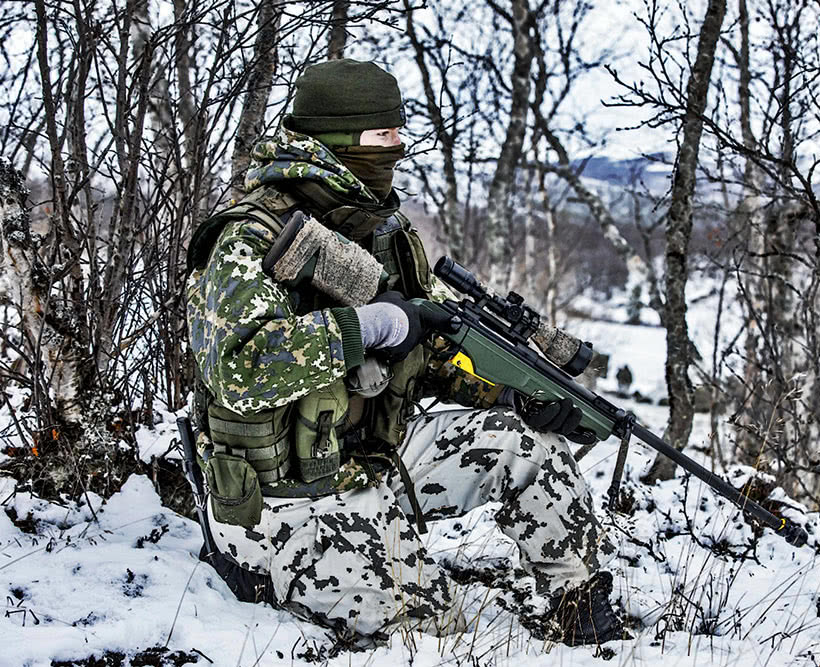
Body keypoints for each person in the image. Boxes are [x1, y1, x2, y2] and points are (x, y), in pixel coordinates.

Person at [184, 59, 624, 646]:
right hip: (278, 499)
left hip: (372, 464)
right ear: (338, 138)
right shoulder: (252, 236)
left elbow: (435, 347)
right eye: (382, 135)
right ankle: (265, 571)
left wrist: (512, 391)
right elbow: (240, 371)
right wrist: (367, 326)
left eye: (398, 131)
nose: (398, 146)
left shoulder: (385, 232)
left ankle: (574, 607)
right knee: (433, 636)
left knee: (525, 443)